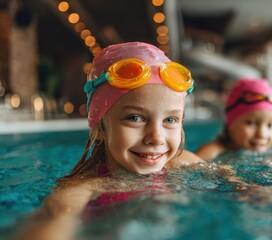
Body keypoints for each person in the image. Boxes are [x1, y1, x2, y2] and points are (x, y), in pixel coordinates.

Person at [17, 42, 203, 240]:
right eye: (135, 118)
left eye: (170, 120)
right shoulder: (82, 192)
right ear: (100, 128)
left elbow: (231, 181)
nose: (156, 138)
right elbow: (54, 221)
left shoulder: (183, 162)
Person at [195, 78, 272, 161]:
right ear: (231, 124)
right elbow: (196, 163)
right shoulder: (214, 150)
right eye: (250, 123)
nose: (261, 134)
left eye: (270, 125)